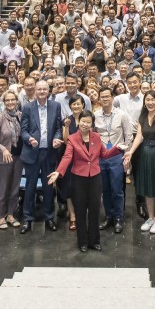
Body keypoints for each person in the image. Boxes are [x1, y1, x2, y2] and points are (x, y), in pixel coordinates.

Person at [49, 109, 124, 252]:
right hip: (78, 179)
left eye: (88, 122)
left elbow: (104, 154)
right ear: (79, 122)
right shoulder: (72, 138)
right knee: (80, 210)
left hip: (95, 178)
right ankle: (82, 241)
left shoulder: (96, 137)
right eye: (83, 121)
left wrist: (117, 148)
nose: (85, 124)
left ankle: (95, 241)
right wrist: (58, 172)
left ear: (92, 124)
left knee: (95, 210)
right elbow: (67, 157)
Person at [19, 79, 64, 233]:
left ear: (48, 90)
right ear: (35, 91)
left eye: (45, 89)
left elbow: (58, 127)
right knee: (30, 187)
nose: (42, 92)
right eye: (39, 89)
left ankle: (49, 218)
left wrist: (58, 138)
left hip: (49, 152)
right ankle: (27, 219)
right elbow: (23, 130)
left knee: (48, 188)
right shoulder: (27, 107)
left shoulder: (55, 106)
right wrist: (28, 139)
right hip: (32, 153)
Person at [92, 87, 134, 233]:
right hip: (101, 157)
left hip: (117, 156)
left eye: (107, 96)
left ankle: (118, 218)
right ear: (99, 99)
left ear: (112, 98)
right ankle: (108, 216)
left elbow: (129, 136)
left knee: (117, 190)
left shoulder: (122, 115)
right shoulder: (95, 115)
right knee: (105, 189)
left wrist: (127, 155)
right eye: (102, 97)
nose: (104, 99)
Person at [130, 91, 155, 233]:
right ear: (144, 102)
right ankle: (151, 217)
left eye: (153, 100)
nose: (150, 102)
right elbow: (138, 137)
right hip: (145, 154)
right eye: (147, 100)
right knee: (147, 187)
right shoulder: (142, 117)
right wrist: (130, 152)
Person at [0, 91, 23, 230]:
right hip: (4, 158)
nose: (10, 102)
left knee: (15, 188)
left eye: (12, 100)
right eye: (7, 100)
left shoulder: (20, 116)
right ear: (3, 102)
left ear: (16, 101)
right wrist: (3, 149)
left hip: (19, 157)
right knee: (3, 189)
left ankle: (11, 214)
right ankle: (1, 216)